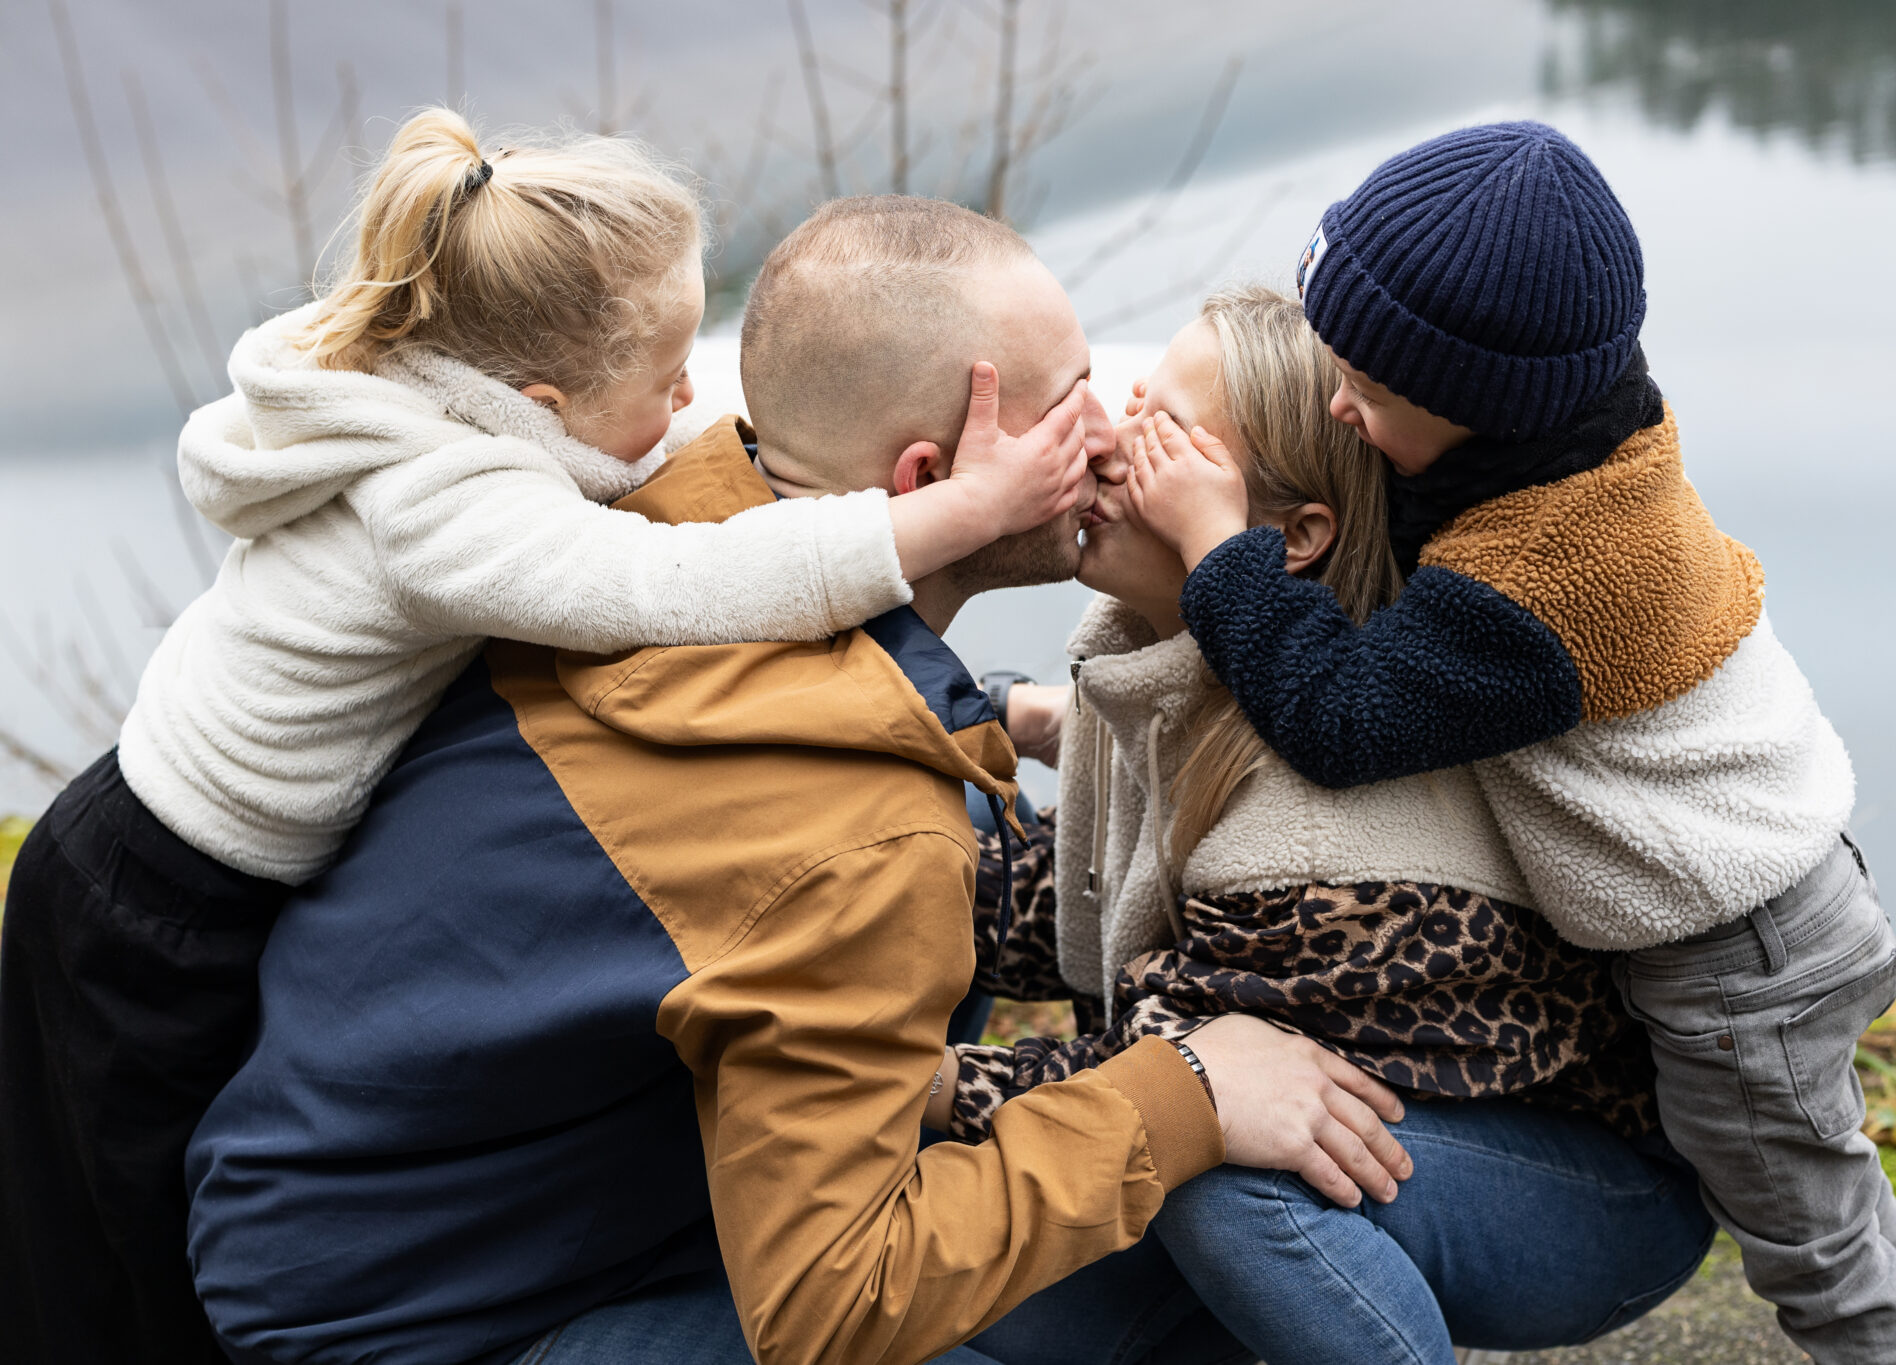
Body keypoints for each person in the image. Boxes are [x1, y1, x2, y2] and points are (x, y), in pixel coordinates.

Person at [181, 196, 1412, 1365]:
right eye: (1071, 402)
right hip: (419, 1321)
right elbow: (837, 1304)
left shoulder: (651, 539)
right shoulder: (852, 830)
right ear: (930, 482)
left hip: (376, 1207)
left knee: (1142, 1275)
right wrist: (1182, 1093)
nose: (1108, 437)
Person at [0, 112, 1098, 1365]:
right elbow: (687, 588)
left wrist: (995, 707)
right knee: (111, 1273)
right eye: (670, 377)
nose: (697, 405)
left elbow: (689, 528)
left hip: (183, 857)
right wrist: (967, 510)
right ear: (540, 402)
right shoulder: (451, 516)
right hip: (154, 900)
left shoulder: (439, 386)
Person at [1127, 121, 1896, 1365]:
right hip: (1795, 885)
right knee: (1831, 1184)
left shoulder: (1549, 576)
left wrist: (1215, 548)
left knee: (1803, 1234)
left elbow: (1342, 719)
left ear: (1478, 410)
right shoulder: (1581, 423)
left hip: (1737, 956)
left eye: (1369, 393)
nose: (1338, 409)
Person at [930, 284, 1715, 1365]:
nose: (1109, 444)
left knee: (1234, 1183)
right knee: (948, 1284)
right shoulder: (1167, 660)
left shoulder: (1318, 827)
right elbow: (1061, 897)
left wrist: (887, 1085)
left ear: (1289, 538)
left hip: (1577, 1192)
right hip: (1327, 1127)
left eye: (1168, 442)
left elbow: (1157, 1083)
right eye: (1132, 401)